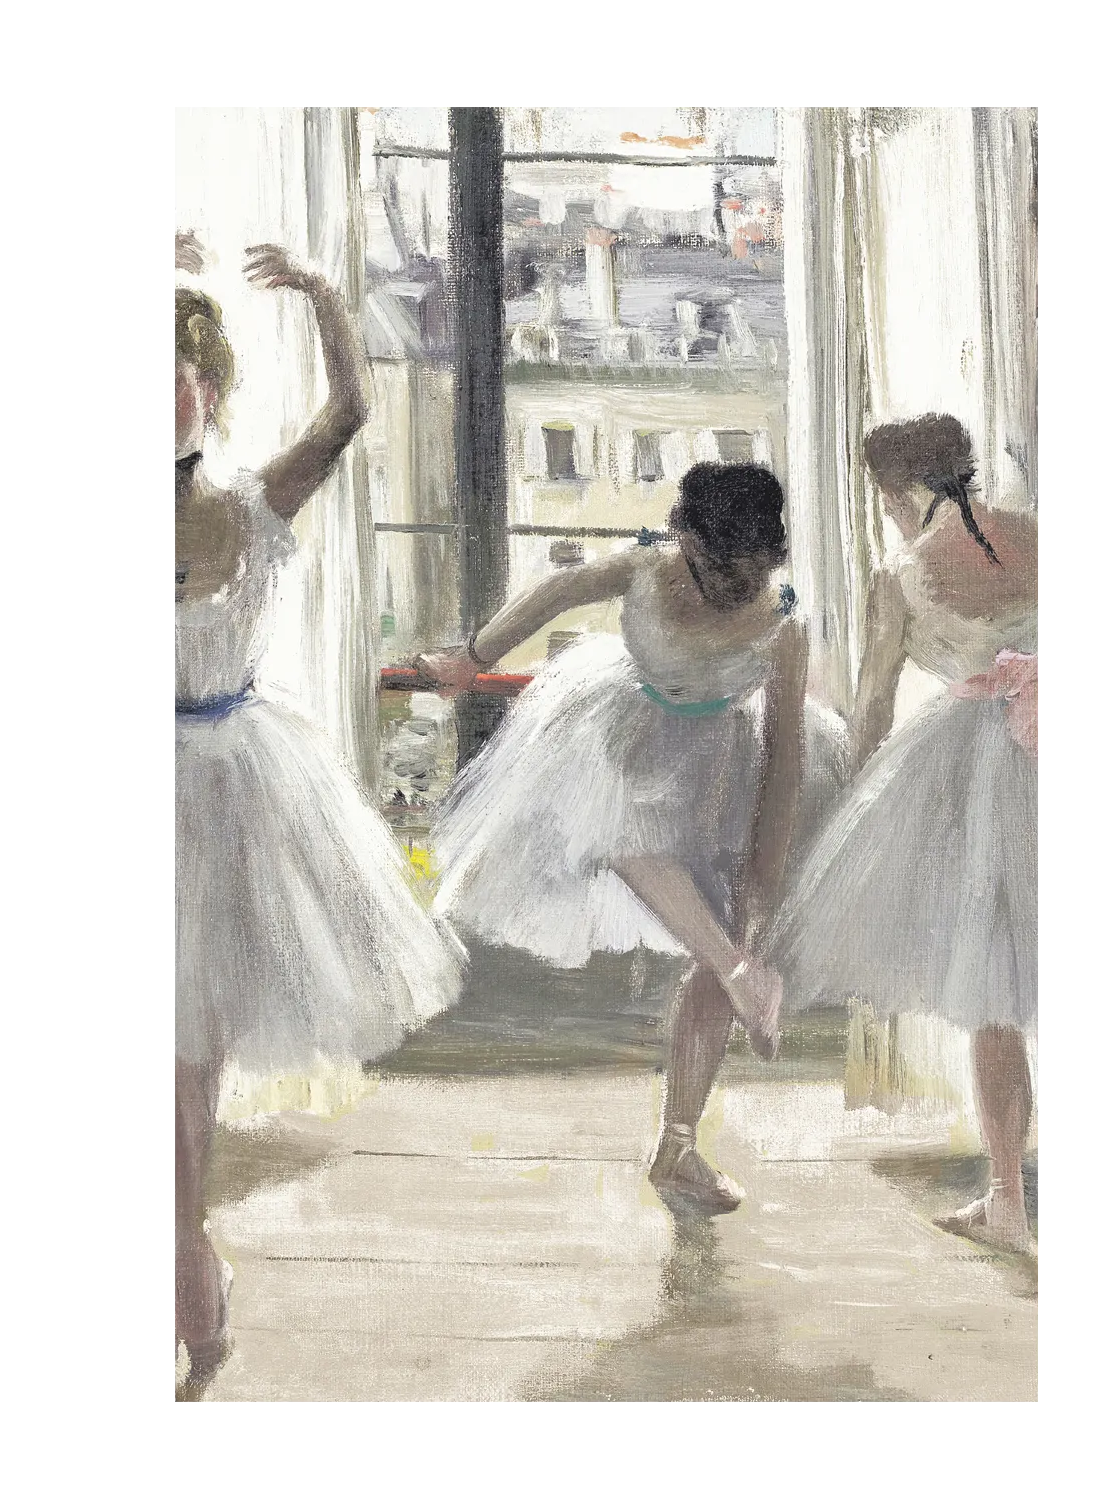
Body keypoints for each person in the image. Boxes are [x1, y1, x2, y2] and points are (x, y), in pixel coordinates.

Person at [172, 235, 466, 1394]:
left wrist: (331, 298)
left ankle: (189, 1260)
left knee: (192, 1062)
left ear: (210, 391)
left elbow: (348, 413)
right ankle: (192, 1262)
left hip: (229, 784)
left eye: (181, 377)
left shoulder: (251, 502)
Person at [418, 464, 850, 1214]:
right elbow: (552, 594)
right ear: (684, 539)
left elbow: (784, 761)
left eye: (753, 571)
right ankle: (740, 970)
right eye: (720, 568)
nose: (735, 586)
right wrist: (474, 658)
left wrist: (760, 884)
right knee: (616, 827)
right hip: (622, 736)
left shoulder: (783, 622)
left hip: (718, 768)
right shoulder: (647, 566)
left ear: (774, 558)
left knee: (726, 942)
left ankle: (678, 1143)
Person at [769, 413, 1039, 1253]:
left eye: (883, 499)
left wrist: (850, 785)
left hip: (982, 770)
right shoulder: (1032, 534)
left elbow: (877, 706)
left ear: (896, 493)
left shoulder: (900, 578)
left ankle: (1007, 1200)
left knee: (994, 991)